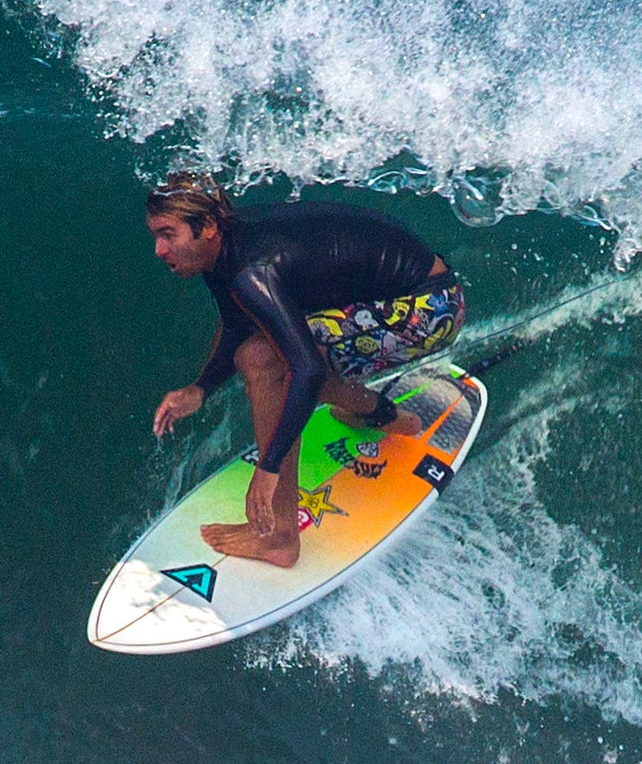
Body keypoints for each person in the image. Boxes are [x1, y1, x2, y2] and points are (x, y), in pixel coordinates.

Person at [143, 169, 466, 568]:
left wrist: (269, 468)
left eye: (167, 234)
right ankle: (388, 417)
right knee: (272, 353)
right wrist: (201, 388)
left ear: (206, 227)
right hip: (398, 298)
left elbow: (307, 371)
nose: (158, 249)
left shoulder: (248, 272)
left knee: (264, 361)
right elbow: (237, 323)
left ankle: (280, 537)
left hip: (426, 311)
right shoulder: (227, 251)